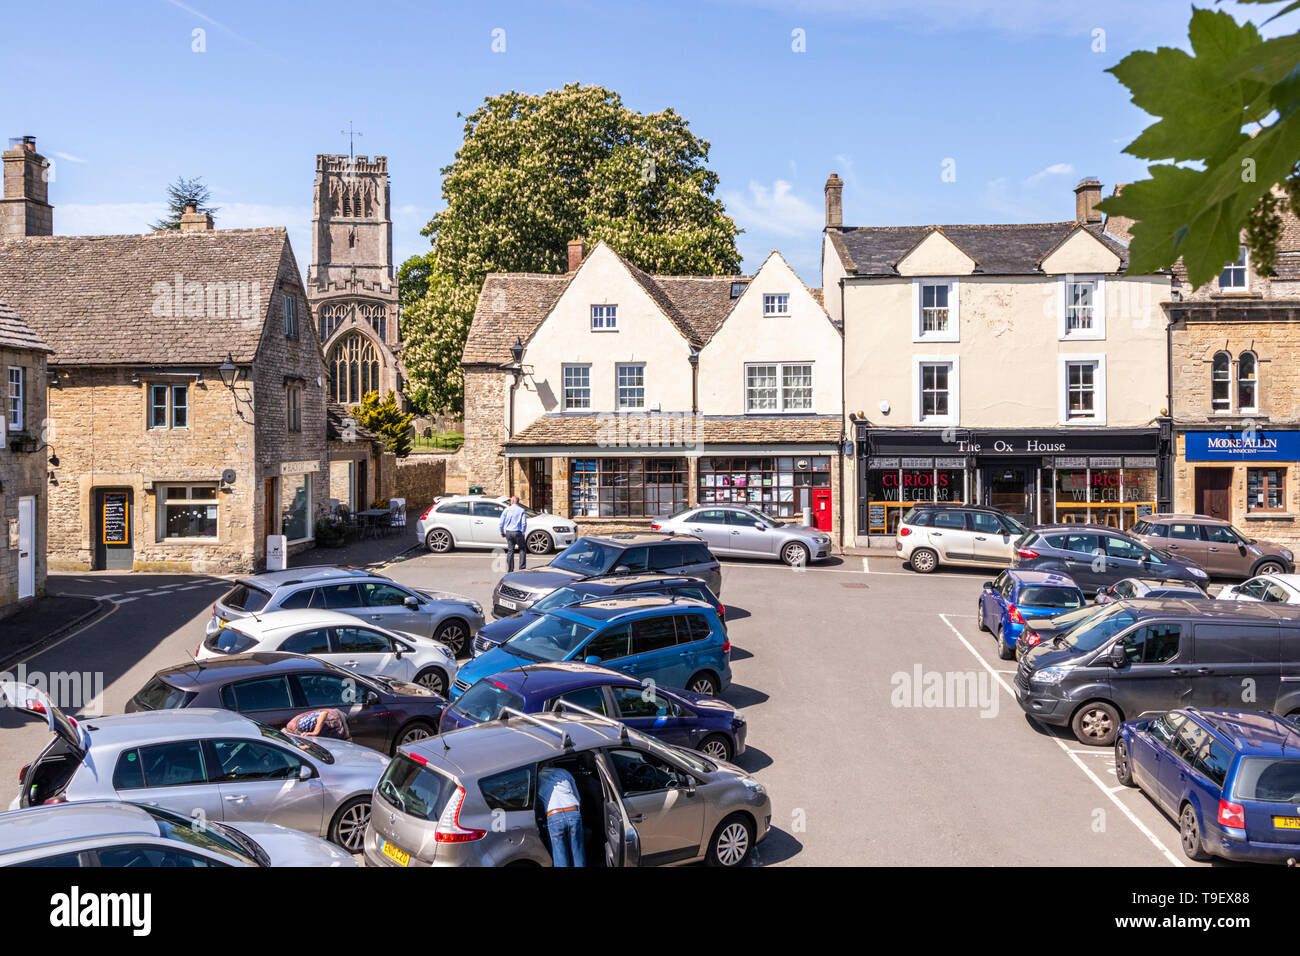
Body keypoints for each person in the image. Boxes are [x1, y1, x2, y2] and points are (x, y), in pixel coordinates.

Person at [537, 764, 584, 867]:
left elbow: (538, 804)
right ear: (551, 764)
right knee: (578, 853)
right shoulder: (564, 772)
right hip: (573, 812)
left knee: (560, 856)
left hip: (554, 816)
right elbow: (577, 797)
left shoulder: (537, 779)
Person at [283, 708, 351, 742]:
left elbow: (323, 714)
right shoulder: (297, 734)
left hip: (339, 719)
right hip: (335, 730)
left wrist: (315, 732)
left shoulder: (299, 725)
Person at [499, 495, 529, 572]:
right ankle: (522, 568)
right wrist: (523, 532)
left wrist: (502, 532)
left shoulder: (506, 510)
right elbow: (524, 523)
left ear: (512, 501)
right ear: (518, 502)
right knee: (522, 549)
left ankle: (510, 569)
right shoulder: (521, 510)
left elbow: (501, 523)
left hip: (509, 532)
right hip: (518, 532)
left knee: (510, 551)